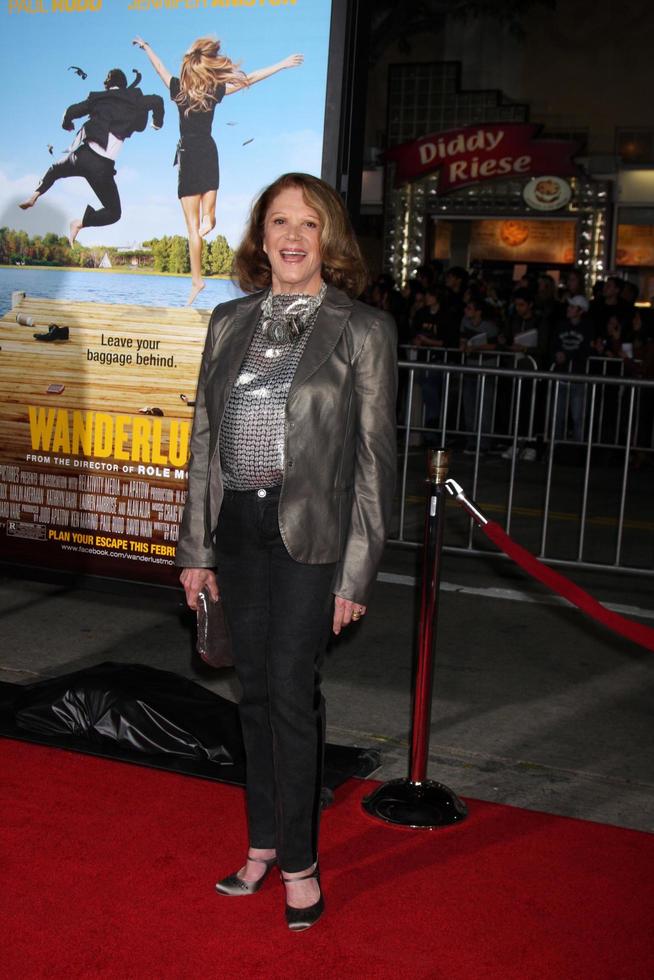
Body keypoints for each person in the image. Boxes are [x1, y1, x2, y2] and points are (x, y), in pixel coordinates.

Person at [175, 173, 397, 930]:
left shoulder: (362, 330)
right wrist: (195, 549)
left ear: (328, 239)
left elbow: (375, 460)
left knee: (292, 697)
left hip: (311, 539)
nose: (293, 236)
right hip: (237, 527)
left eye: (308, 223)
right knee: (255, 696)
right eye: (279, 222)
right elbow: (205, 441)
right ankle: (262, 844)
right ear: (260, 236)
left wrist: (358, 571)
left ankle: (300, 863)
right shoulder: (229, 319)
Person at [133, 36, 303, 304]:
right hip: (208, 152)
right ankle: (210, 221)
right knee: (207, 219)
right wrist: (281, 64)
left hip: (188, 155)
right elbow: (251, 78)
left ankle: (197, 281)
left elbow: (159, 69)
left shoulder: (178, 89)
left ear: (188, 67)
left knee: (191, 228)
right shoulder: (213, 91)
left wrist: (147, 48)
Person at [19, 69, 164, 245]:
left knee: (55, 169)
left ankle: (34, 195)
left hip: (82, 155)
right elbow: (158, 100)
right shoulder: (133, 99)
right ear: (124, 84)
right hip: (101, 168)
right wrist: (157, 122)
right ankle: (79, 223)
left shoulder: (97, 99)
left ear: (107, 85)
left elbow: (70, 111)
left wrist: (67, 123)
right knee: (113, 213)